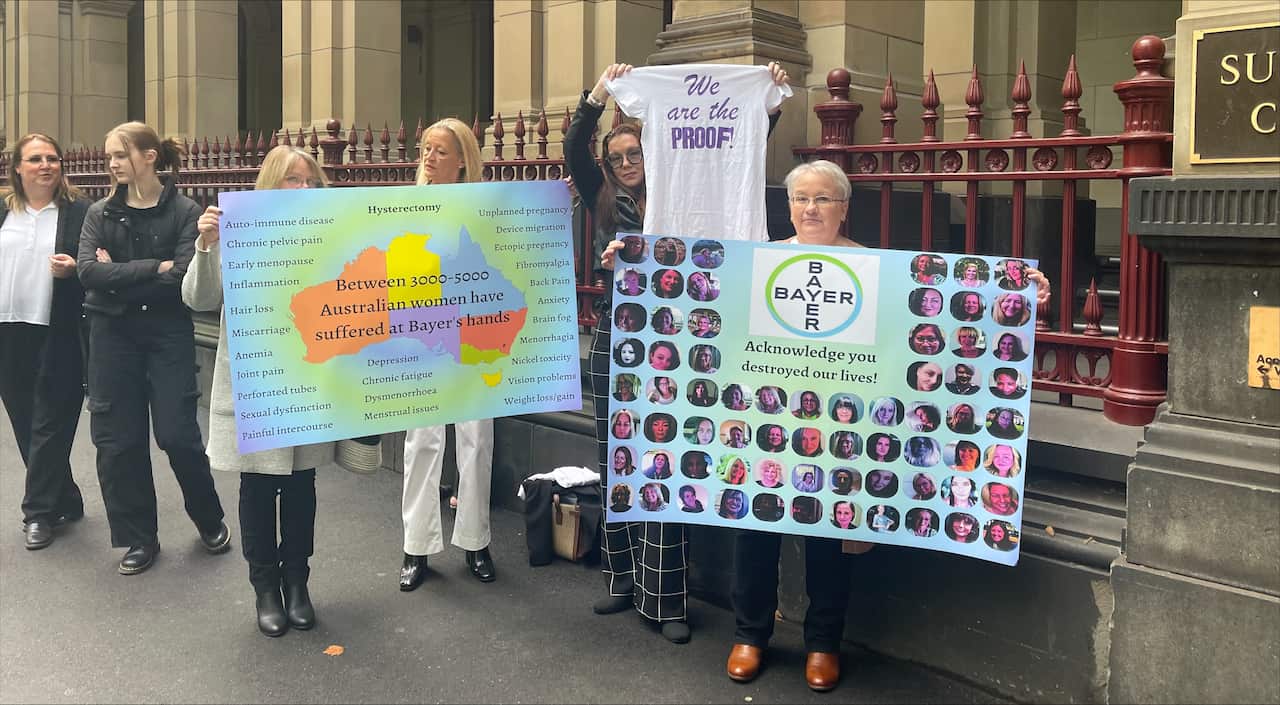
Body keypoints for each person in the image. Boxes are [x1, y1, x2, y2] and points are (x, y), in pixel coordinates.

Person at [183, 145, 333, 635]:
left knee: (300, 485)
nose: (304, 189)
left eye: (310, 180)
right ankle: (265, 588)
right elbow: (199, 298)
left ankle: (297, 585)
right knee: (259, 484)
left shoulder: (331, 231)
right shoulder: (239, 228)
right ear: (271, 184)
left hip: (308, 376)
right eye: (293, 179)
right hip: (258, 378)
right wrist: (207, 245)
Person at [727, 160, 859, 693]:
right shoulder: (763, 261)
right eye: (801, 198)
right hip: (769, 420)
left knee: (829, 531)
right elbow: (703, 299)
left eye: (823, 199)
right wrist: (633, 265)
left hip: (836, 426)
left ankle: (824, 642)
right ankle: (749, 633)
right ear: (788, 208)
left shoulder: (871, 266)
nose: (810, 208)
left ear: (843, 208)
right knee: (755, 526)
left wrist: (1023, 300)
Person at [78, 121, 230, 576]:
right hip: (111, 335)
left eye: (120, 154)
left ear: (149, 157)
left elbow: (181, 278)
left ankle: (209, 517)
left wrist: (120, 272)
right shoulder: (99, 213)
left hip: (167, 333)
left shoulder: (184, 211)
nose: (112, 163)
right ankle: (139, 538)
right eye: (109, 156)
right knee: (118, 441)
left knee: (177, 434)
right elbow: (88, 272)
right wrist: (151, 267)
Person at [400, 119, 498, 591]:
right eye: (425, 149)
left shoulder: (485, 206)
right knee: (423, 439)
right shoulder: (407, 207)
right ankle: (415, 546)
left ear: (463, 160)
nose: (429, 157)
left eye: (440, 151)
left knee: (476, 438)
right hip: (423, 335)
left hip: (475, 335)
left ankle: (476, 541)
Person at [0, 133, 91, 551]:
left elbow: (98, 266)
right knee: (24, 421)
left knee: (52, 421)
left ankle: (37, 513)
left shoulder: (79, 212)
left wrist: (76, 268)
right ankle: (65, 496)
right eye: (35, 159)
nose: (45, 165)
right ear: (17, 168)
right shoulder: (4, 211)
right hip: (8, 329)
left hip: (59, 329)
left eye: (52, 158)